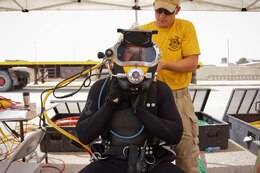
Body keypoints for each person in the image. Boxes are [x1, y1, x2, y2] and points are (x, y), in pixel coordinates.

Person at [76, 29, 184, 173]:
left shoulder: (160, 89)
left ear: (153, 59)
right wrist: (109, 105)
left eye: (142, 54)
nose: (135, 59)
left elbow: (175, 136)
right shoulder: (101, 88)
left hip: (150, 160)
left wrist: (142, 112)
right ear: (116, 57)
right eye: (129, 53)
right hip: (111, 158)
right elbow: (83, 135)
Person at [140, 0, 201, 172]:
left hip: (177, 98)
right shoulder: (142, 31)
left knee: (185, 150)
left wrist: (165, 65)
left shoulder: (185, 27)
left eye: (167, 12)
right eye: (158, 11)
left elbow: (191, 63)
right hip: (146, 96)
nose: (162, 15)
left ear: (177, 10)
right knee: (141, 147)